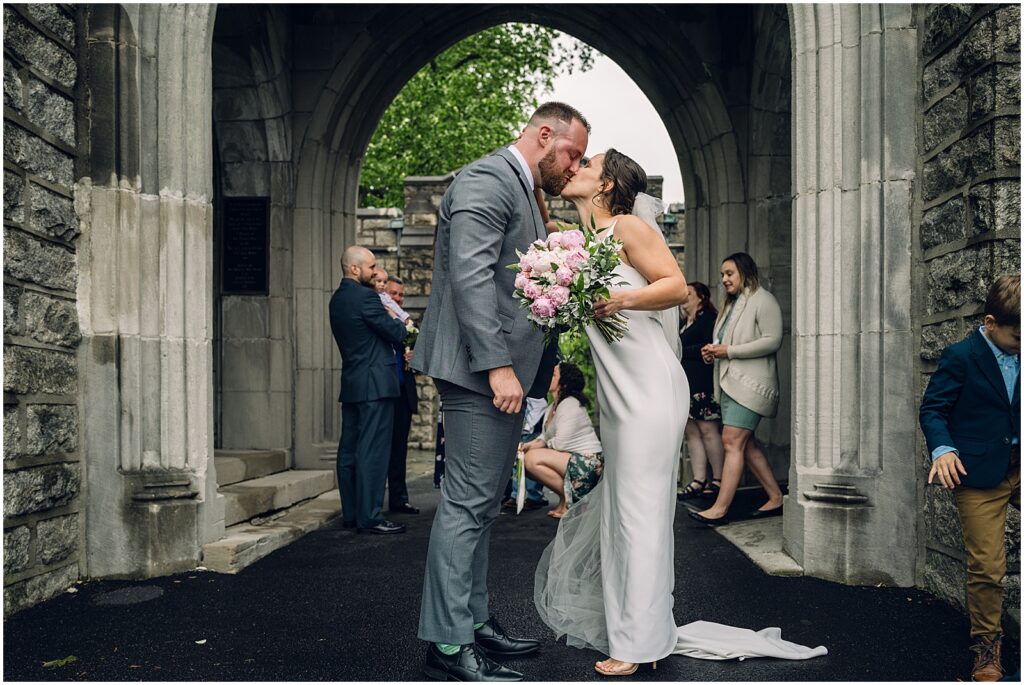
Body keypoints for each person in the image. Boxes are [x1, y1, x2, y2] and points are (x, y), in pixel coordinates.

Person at [534, 152, 826, 677]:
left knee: (639, 513)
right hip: (619, 395)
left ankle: (639, 641)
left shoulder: (626, 226)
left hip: (647, 389)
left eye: (589, 162)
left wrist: (621, 302)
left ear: (607, 184)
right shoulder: (581, 245)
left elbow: (672, 285)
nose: (576, 165)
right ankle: (630, 624)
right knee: (623, 513)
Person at [412, 101, 590, 682]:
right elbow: (469, 273)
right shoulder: (488, 177)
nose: (574, 167)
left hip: (498, 375)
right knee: (466, 504)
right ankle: (446, 641)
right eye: (572, 154)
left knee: (483, 504)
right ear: (545, 134)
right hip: (476, 374)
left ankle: (474, 620)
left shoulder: (523, 187)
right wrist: (497, 367)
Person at [920, 274, 1020, 682]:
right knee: (987, 566)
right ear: (992, 322)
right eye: (1018, 338)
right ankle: (986, 646)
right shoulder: (961, 356)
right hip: (979, 474)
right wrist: (944, 449)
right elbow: (933, 410)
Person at [689, 253, 785, 525]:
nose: (724, 279)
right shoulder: (730, 306)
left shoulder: (763, 300)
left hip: (750, 384)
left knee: (732, 441)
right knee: (746, 443)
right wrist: (713, 353)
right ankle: (776, 497)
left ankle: (720, 509)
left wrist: (728, 351)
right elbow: (724, 343)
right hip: (730, 384)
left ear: (744, 272)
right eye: (722, 275)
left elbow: (773, 340)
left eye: (729, 273)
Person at [329, 246, 409, 535]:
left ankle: (352, 513)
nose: (376, 273)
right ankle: (371, 516)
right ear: (354, 269)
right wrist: (395, 315)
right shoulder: (366, 298)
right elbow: (396, 332)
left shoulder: (337, 300)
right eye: (371, 267)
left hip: (352, 382)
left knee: (349, 449)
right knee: (373, 451)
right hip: (376, 384)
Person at [522, 362, 603, 519]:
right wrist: (526, 446)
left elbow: (561, 443)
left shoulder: (570, 404)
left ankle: (571, 502)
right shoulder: (553, 406)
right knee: (525, 457)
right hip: (572, 458)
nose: (548, 377)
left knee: (532, 459)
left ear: (564, 383)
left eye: (553, 375)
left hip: (589, 461)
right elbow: (544, 438)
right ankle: (565, 500)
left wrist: (535, 450)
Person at [677, 281, 724, 501]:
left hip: (703, 384)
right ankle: (698, 479)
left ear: (701, 297)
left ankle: (719, 478)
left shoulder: (708, 320)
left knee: (708, 430)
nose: (684, 297)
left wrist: (680, 352)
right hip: (685, 386)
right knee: (692, 433)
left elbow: (708, 346)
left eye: (689, 294)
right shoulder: (682, 323)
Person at [384, 275, 420, 515]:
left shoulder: (406, 324)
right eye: (393, 293)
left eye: (400, 294)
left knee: (399, 450)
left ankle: (399, 499)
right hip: (383, 391)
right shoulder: (381, 319)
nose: (398, 298)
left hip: (403, 393)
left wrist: (414, 358)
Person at [502, 397, 551, 512]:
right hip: (522, 430)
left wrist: (527, 427)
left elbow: (540, 406)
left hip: (530, 432)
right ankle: (516, 496)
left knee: (526, 462)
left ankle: (534, 497)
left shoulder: (535, 393)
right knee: (516, 463)